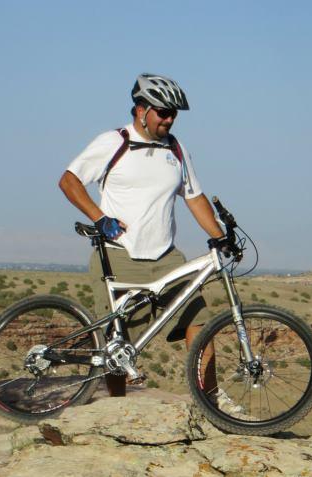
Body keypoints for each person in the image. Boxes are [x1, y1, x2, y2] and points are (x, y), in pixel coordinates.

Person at [58, 73, 223, 398]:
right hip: (121, 257)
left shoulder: (175, 149)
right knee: (120, 343)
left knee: (198, 320)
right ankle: (116, 404)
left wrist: (220, 236)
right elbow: (69, 181)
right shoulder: (114, 142)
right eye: (163, 112)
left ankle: (213, 399)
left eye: (173, 113)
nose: (169, 119)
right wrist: (100, 217)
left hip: (167, 257)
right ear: (141, 109)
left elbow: (194, 196)